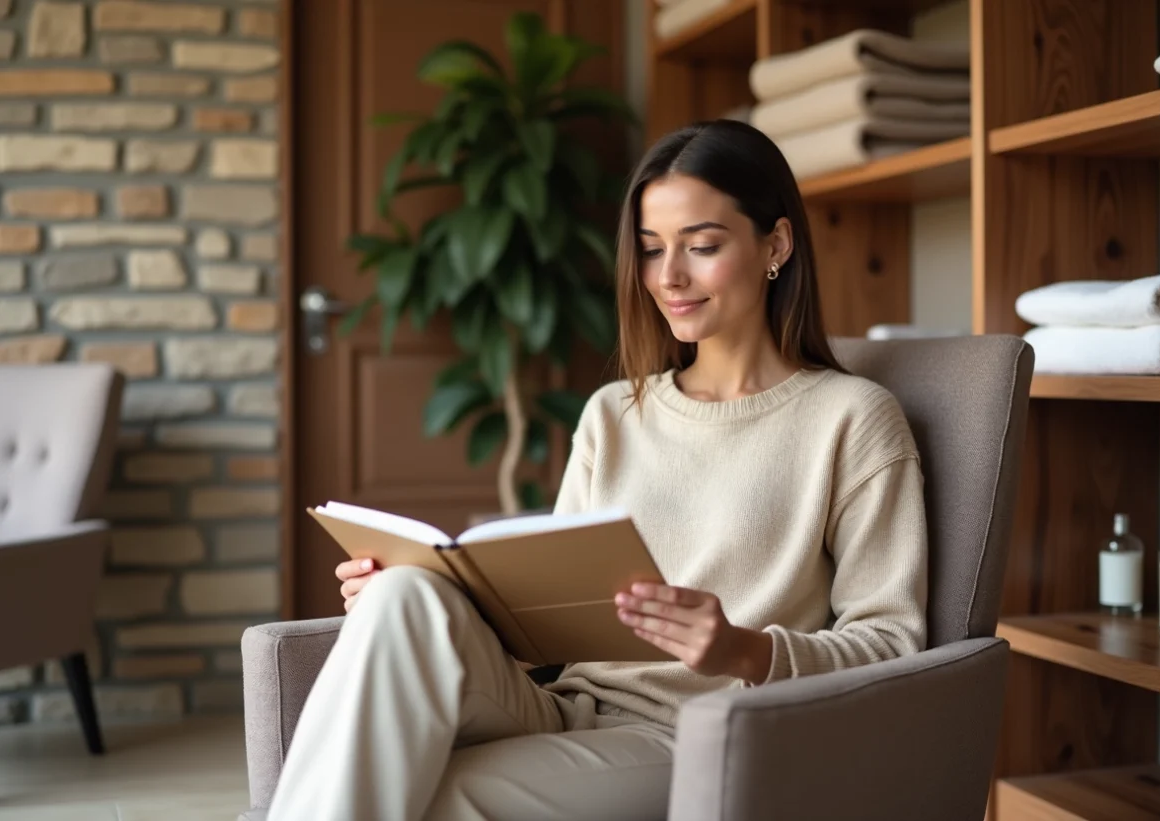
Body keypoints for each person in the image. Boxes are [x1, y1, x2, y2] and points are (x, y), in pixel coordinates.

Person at [266, 119, 929, 821]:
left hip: (694, 733)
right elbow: (547, 630)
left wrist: (744, 648)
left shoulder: (852, 418)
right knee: (401, 596)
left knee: (430, 794)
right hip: (561, 708)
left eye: (702, 246)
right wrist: (418, 591)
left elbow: (893, 645)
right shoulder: (613, 413)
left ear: (776, 244)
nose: (669, 277)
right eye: (651, 250)